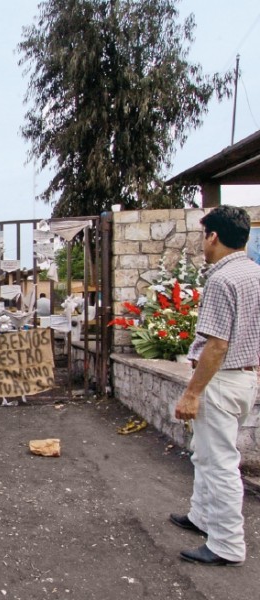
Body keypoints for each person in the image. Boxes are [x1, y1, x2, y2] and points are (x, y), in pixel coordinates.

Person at [171, 205, 260, 566]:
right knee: (206, 454)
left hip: (221, 380)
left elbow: (217, 343)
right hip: (243, 377)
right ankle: (202, 516)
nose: (202, 243)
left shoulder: (222, 280)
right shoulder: (254, 273)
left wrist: (192, 392)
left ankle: (226, 543)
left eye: (202, 235)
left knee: (220, 462)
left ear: (213, 236)